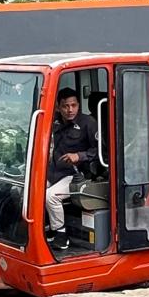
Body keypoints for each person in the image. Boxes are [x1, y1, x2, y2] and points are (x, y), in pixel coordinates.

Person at [44, 88, 98, 248]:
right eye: (65, 106)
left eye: (73, 105)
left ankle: (61, 235)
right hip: (55, 171)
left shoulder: (88, 123)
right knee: (32, 191)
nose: (70, 110)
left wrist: (79, 156)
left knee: (51, 196)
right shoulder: (54, 121)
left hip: (77, 174)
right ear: (58, 107)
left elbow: (102, 151)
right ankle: (47, 227)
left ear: (78, 105)